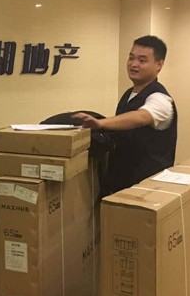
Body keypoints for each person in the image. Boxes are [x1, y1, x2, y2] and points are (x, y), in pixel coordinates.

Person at [72, 35, 176, 195]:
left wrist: (101, 123)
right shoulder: (128, 94)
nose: (134, 64)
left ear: (159, 65)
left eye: (142, 60)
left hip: (146, 191)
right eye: (131, 58)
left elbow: (141, 117)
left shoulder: (161, 99)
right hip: (120, 186)